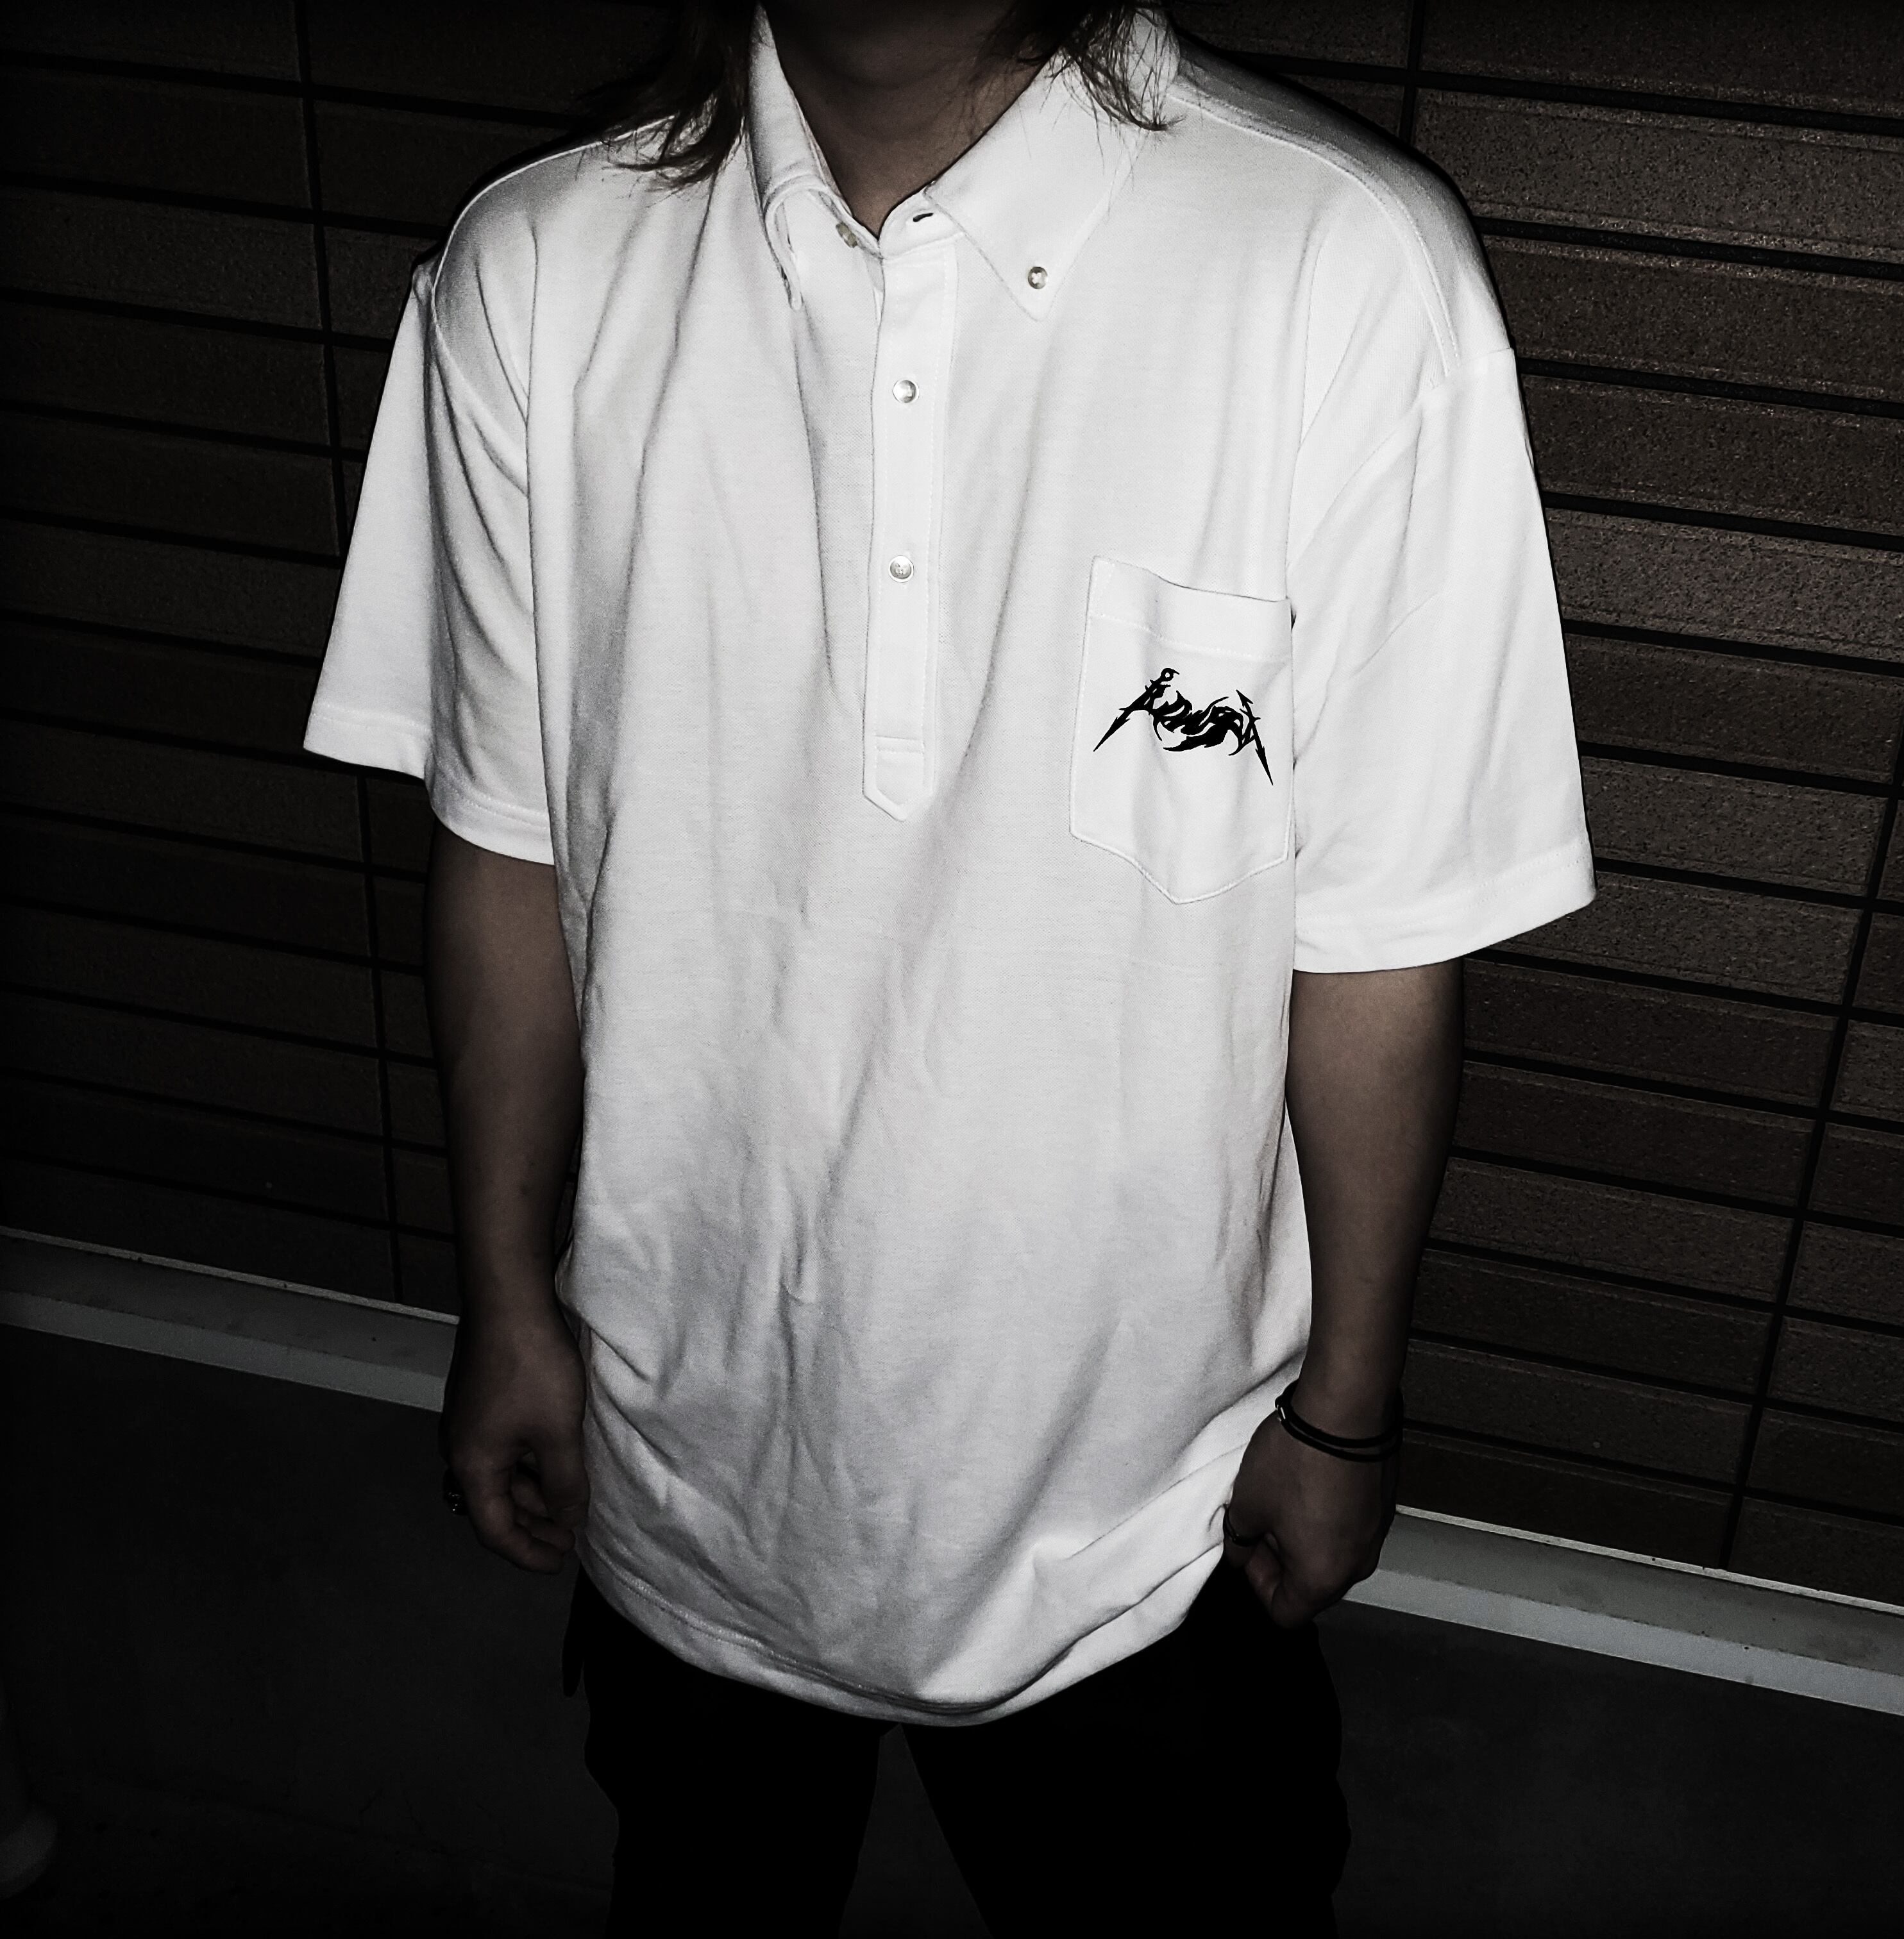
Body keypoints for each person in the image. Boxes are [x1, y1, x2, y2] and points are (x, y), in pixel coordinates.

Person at [303, 1, 1592, 1931]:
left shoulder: (1336, 263)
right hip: (688, 1456)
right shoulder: (539, 265)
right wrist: (504, 1296)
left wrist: (1346, 1409)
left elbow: (1380, 941)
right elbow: (506, 841)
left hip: (1151, 1505)